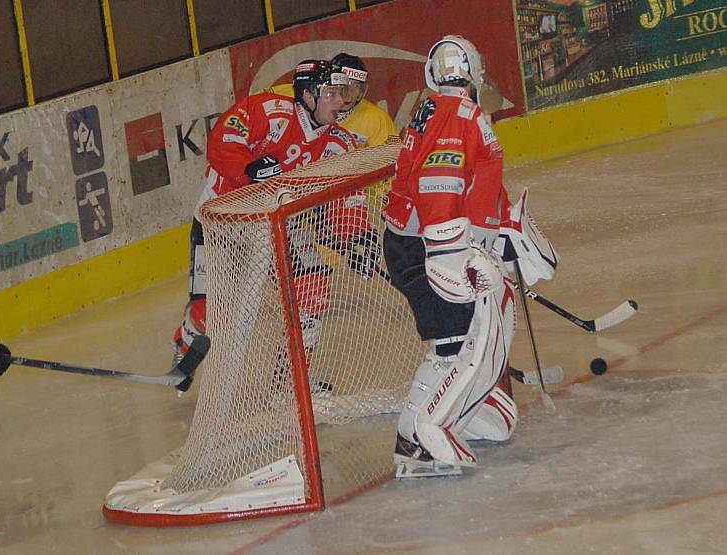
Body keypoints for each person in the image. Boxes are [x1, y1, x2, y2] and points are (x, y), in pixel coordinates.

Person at [383, 36, 557, 478]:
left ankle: (416, 435)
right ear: (474, 72)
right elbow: (440, 182)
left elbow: (470, 189)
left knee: (449, 344)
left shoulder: (440, 110)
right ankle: (423, 436)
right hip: (429, 245)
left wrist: (498, 236)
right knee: (460, 343)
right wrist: (450, 253)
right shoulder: (460, 115)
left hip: (420, 239)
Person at [172, 60, 363, 364]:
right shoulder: (271, 110)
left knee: (312, 290)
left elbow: (347, 196)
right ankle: (185, 343)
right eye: (332, 93)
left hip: (280, 226)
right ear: (310, 95)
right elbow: (223, 139)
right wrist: (249, 169)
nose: (341, 101)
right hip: (221, 220)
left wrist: (356, 235)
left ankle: (288, 385)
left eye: (343, 94)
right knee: (210, 313)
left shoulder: (339, 144)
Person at [263, 53, 399, 149]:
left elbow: (392, 165)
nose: (348, 96)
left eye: (356, 87)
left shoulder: (377, 119)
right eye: (344, 86)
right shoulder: (297, 91)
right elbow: (252, 108)